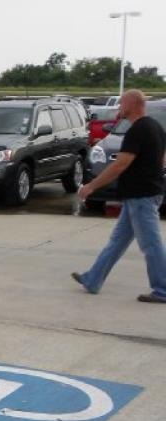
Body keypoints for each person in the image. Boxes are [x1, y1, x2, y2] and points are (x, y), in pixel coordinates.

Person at [73, 89, 166, 303]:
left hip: (141, 197)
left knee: (151, 244)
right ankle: (93, 279)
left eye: (121, 103)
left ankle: (162, 289)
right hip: (143, 194)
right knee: (117, 241)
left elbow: (120, 165)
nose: (119, 107)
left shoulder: (138, 131)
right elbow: (162, 160)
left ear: (132, 104)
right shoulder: (155, 127)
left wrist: (91, 186)